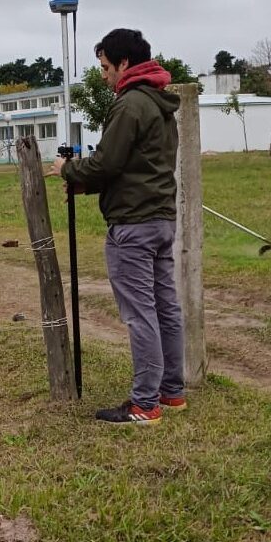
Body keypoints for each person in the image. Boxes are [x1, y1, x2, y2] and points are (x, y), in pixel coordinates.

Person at [48, 28, 185, 425]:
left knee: (140, 314)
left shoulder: (130, 105)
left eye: (106, 67)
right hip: (160, 220)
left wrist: (67, 170)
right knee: (165, 308)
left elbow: (107, 163)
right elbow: (137, 166)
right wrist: (86, 184)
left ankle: (145, 403)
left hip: (133, 226)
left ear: (124, 64)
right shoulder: (161, 103)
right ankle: (171, 392)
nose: (105, 76)